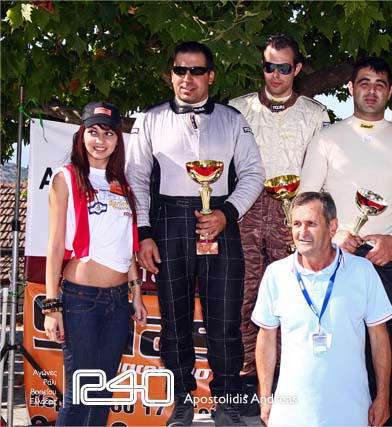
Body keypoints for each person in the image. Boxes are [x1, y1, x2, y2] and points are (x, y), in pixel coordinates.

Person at [125, 41, 265, 427]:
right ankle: (182, 402)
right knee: (174, 320)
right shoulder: (150, 119)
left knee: (225, 320)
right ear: (171, 74)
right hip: (168, 223)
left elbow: (253, 173)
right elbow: (136, 179)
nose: (187, 78)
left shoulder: (232, 119)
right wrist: (144, 233)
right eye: (180, 70)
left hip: (220, 221)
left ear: (211, 76)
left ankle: (228, 402)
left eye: (196, 70)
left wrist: (227, 213)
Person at [299, 56, 392, 425]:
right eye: (364, 82)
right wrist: (333, 235)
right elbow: (305, 200)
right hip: (336, 265)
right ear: (350, 88)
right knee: (340, 361)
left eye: (379, 84)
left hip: (387, 264)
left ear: (390, 91)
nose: (371, 91)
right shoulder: (327, 139)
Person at [228, 33, 330, 401]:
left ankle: (289, 380)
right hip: (246, 211)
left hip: (293, 215)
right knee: (245, 295)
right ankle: (247, 381)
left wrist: (305, 221)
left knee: (293, 297)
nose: (275, 75)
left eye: (283, 68)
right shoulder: (237, 109)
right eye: (269, 67)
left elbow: (321, 174)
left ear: (297, 69)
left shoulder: (316, 114)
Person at [44, 102, 147, 426]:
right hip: (81, 299)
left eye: (108, 133)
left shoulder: (123, 184)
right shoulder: (66, 177)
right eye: (93, 132)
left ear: (118, 139)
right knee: (79, 394)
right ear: (81, 136)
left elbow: (127, 246)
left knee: (102, 393)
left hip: (118, 302)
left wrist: (136, 293)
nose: (100, 140)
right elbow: (55, 245)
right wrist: (51, 306)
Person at [252, 192, 392, 426]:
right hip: (291, 414)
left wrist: (383, 397)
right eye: (296, 224)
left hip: (350, 412)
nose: (302, 232)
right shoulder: (276, 274)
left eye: (311, 224)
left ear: (332, 227)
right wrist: (265, 397)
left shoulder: (363, 271)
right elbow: (266, 339)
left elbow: (379, 339)